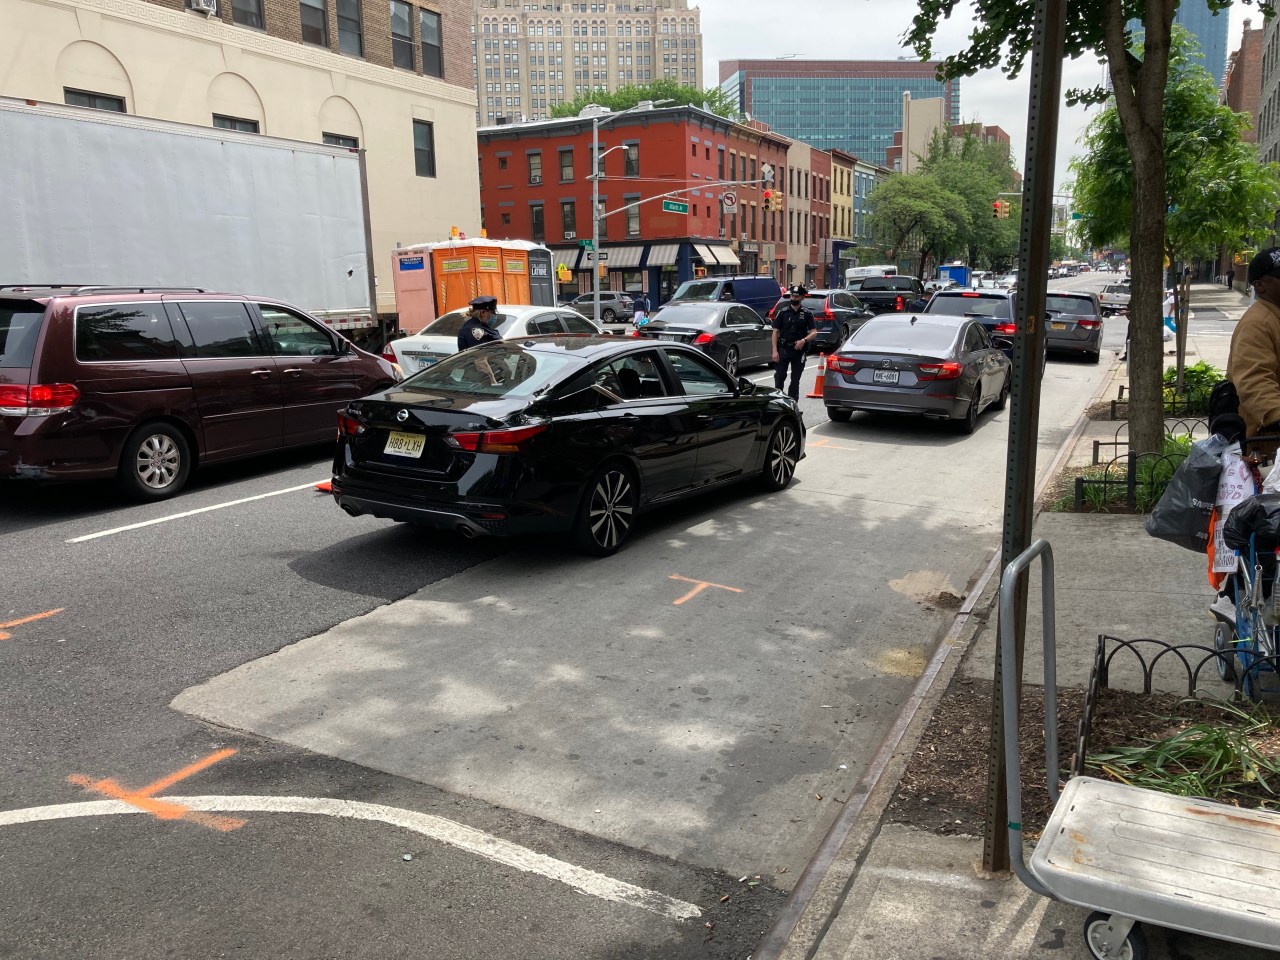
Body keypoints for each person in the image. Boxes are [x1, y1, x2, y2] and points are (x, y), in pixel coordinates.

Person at [1227, 247, 1280, 443]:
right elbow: (1254, 382)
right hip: (1268, 443)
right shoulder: (1257, 324)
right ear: (1259, 286)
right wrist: (1276, 415)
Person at [771, 284, 817, 401]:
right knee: (779, 377)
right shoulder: (783, 312)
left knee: (795, 380)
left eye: (797, 296)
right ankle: (778, 402)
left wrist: (804, 340)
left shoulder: (807, 313)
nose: (794, 298)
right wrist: (774, 351)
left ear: (802, 297)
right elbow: (775, 332)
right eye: (792, 296)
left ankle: (793, 404)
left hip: (799, 351)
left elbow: (814, 332)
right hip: (784, 349)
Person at [457, 295, 504, 385]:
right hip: (481, 381)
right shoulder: (475, 331)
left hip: (490, 375)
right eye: (492, 312)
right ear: (483, 312)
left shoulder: (482, 327)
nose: (494, 315)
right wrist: (493, 381)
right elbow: (480, 361)